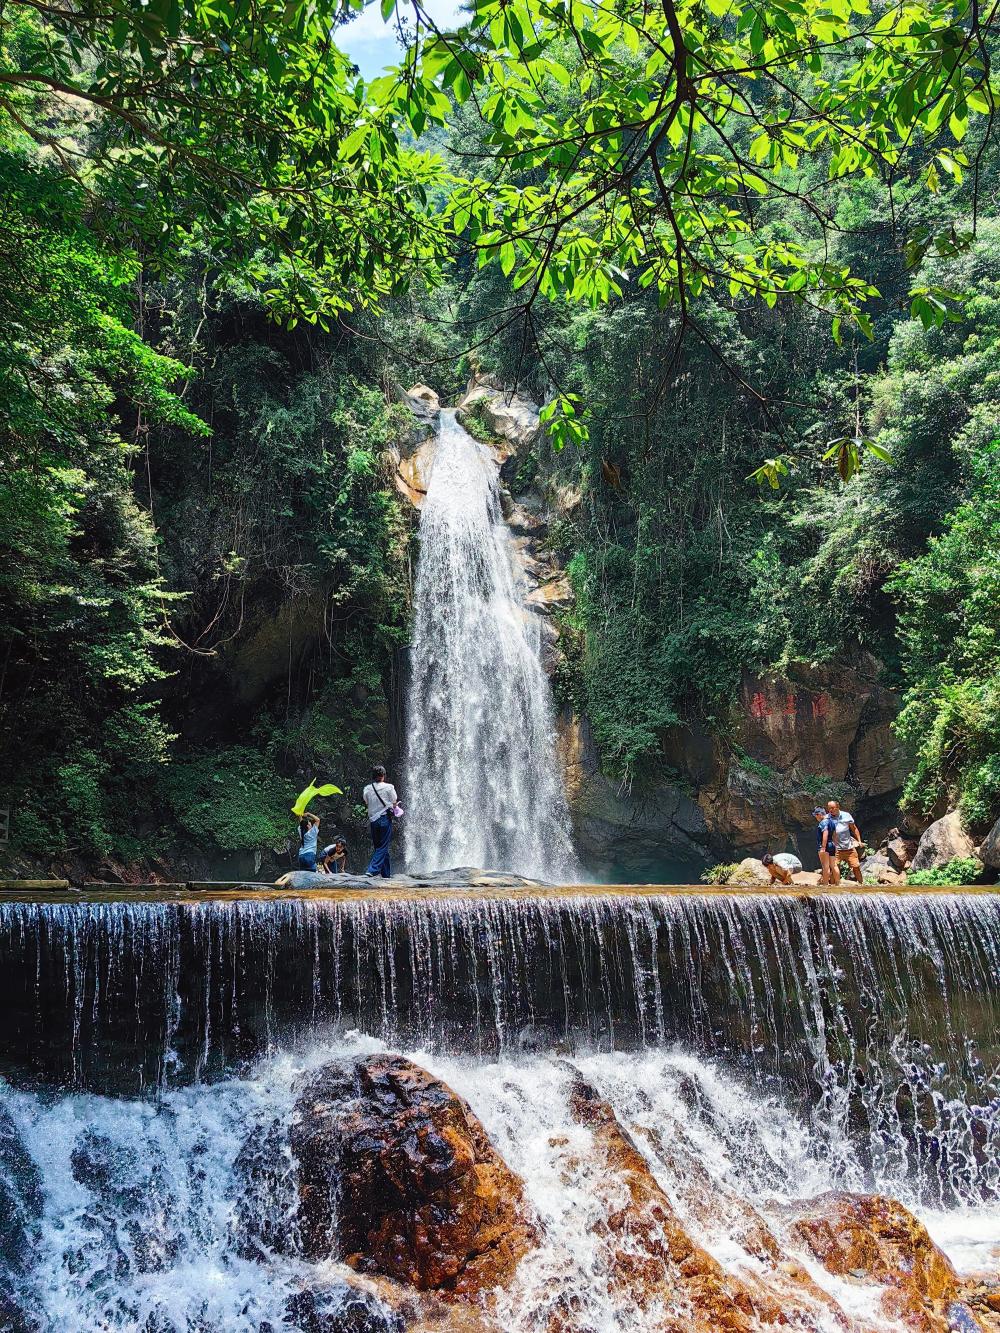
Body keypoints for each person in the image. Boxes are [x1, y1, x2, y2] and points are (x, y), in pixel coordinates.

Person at [363, 764, 398, 878]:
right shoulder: (389, 787)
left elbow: (367, 802)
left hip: (373, 821)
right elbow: (394, 801)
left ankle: (385, 875)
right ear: (383, 775)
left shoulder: (367, 789)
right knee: (382, 847)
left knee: (380, 847)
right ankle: (372, 870)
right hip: (384, 819)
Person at [826, 800, 863, 883]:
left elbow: (854, 828)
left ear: (838, 807)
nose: (830, 810)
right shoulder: (827, 818)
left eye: (832, 808)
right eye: (829, 808)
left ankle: (862, 885)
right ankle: (832, 888)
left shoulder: (846, 815)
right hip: (835, 849)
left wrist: (859, 841)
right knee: (834, 869)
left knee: (856, 867)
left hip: (849, 847)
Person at [813, 806, 840, 886]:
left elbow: (825, 833)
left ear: (819, 814)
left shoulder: (823, 822)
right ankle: (838, 884)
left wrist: (823, 847)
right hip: (831, 845)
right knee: (833, 865)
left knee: (825, 866)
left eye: (816, 816)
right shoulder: (831, 822)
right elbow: (835, 835)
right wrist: (835, 845)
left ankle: (825, 885)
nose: (816, 818)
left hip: (825, 845)